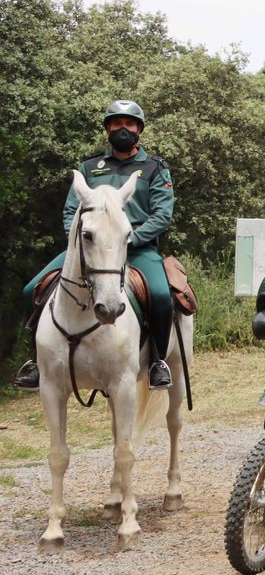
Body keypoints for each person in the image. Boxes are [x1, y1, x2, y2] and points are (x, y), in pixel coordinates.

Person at [17, 100, 176, 390]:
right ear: (108, 128)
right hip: (88, 249)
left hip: (137, 249)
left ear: (138, 129)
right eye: (117, 123)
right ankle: (36, 363)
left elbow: (162, 215)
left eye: (129, 123)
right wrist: (81, 240)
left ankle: (157, 361)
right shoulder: (90, 167)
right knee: (31, 290)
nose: (123, 128)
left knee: (161, 296)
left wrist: (127, 238)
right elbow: (70, 212)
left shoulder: (155, 168)